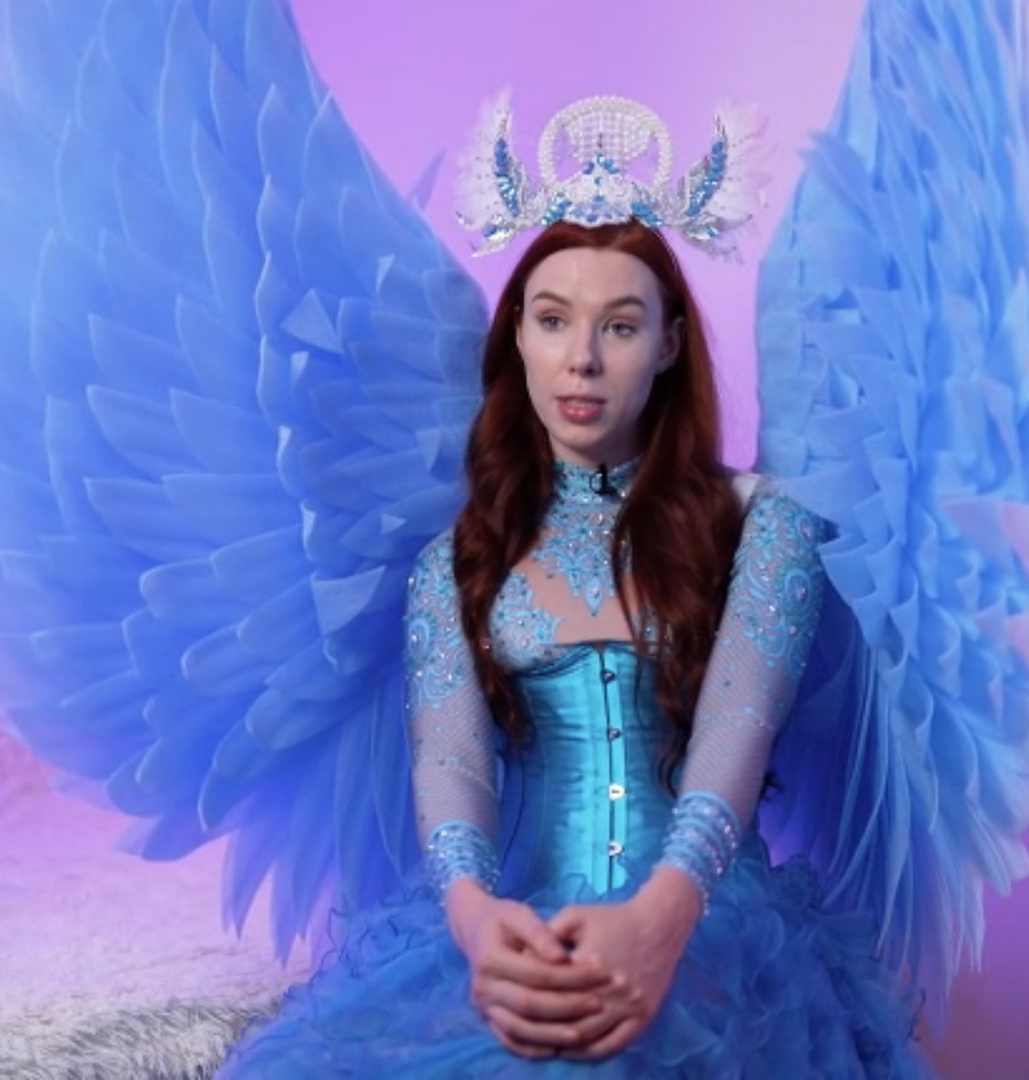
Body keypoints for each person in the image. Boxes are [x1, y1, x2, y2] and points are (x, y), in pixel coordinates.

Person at [218, 220, 933, 1076]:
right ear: (517, 334)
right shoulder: (454, 560)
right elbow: (451, 763)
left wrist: (660, 921)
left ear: (669, 345)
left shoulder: (761, 522)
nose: (582, 359)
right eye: (554, 320)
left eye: (620, 325)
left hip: (713, 926)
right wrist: (475, 920)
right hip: (514, 926)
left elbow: (736, 731)